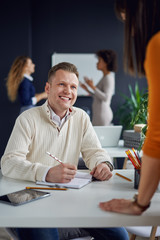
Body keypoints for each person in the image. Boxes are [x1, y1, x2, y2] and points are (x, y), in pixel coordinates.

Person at [1, 62, 128, 240]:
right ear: (48, 88)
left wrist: (103, 164)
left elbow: (94, 151)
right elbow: (8, 162)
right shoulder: (27, 118)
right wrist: (46, 173)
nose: (68, 91)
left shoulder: (81, 117)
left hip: (70, 200)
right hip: (31, 203)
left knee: (119, 235)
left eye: (73, 87)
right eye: (61, 84)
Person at [99, 0, 160, 215]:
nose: (132, 32)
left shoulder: (157, 45)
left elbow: (157, 135)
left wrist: (139, 203)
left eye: (129, 22)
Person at [80, 49, 117, 126]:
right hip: (99, 114)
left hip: (103, 114)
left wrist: (92, 86)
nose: (97, 63)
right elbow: (97, 96)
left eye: (99, 60)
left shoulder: (108, 78)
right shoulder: (105, 77)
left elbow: (106, 98)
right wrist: (87, 89)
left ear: (106, 62)